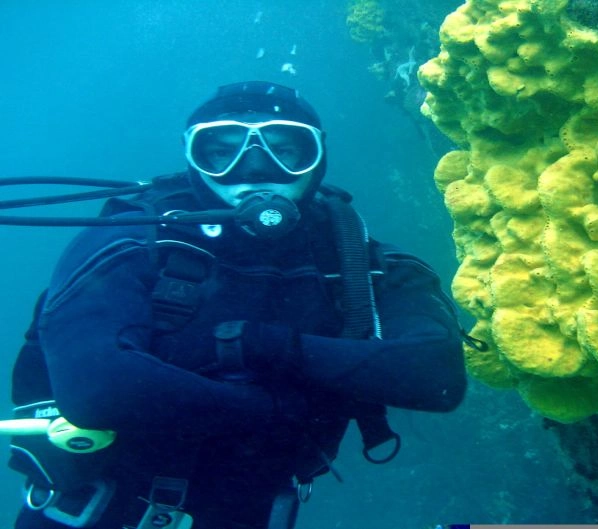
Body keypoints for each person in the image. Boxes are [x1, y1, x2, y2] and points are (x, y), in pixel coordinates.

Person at [7, 81, 468, 529]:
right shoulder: (132, 240)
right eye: (222, 151)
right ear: (193, 158)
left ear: (317, 156)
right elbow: (97, 389)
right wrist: (276, 411)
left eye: (285, 150)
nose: (255, 168)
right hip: (97, 514)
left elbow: (438, 377)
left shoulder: (355, 262)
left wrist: (267, 346)